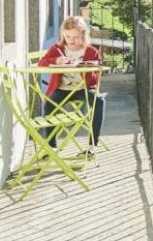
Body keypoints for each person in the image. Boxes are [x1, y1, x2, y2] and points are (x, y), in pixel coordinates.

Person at [37, 16, 105, 149]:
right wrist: (55, 60)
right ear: (63, 35)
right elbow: (41, 63)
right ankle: (51, 147)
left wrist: (89, 68)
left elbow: (99, 70)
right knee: (49, 105)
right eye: (67, 36)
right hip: (61, 88)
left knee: (99, 101)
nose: (71, 40)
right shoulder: (57, 49)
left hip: (83, 88)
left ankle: (92, 146)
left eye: (75, 37)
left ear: (83, 34)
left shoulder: (91, 51)